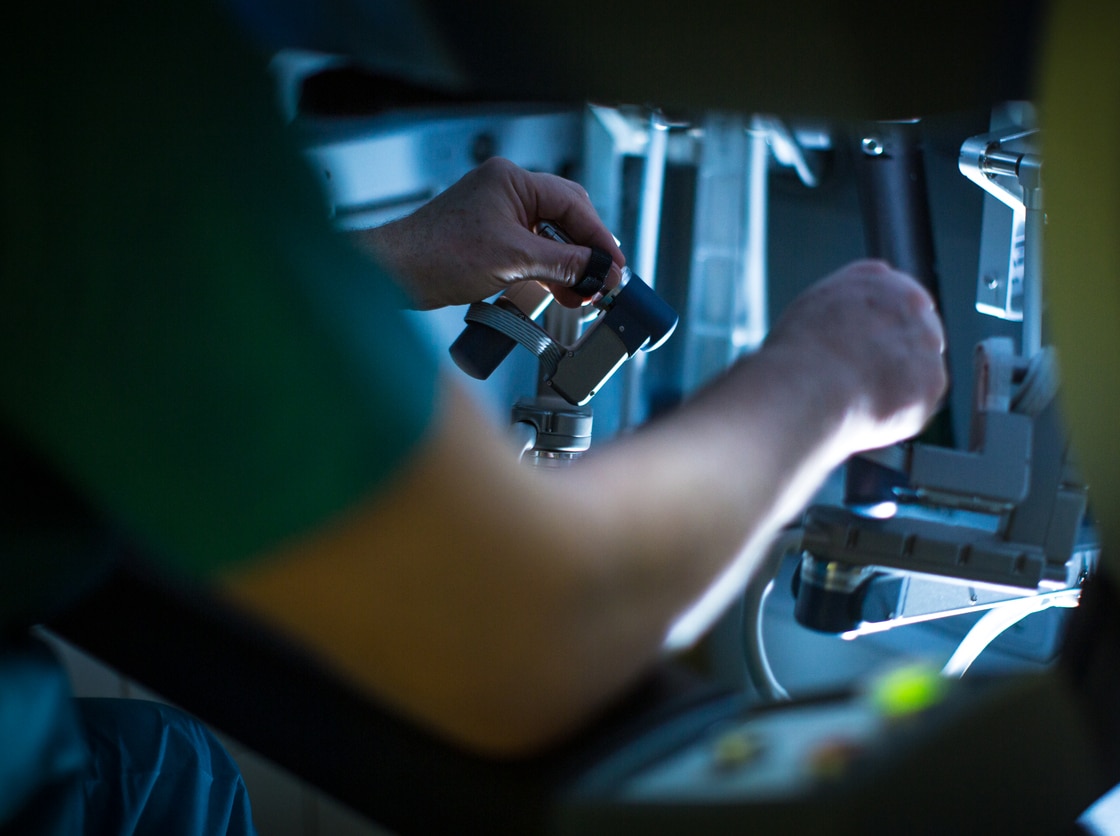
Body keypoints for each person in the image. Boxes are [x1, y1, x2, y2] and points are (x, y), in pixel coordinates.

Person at [0, 1, 946, 830]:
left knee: (169, 770)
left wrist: (399, 252)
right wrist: (832, 375)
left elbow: (87, 295)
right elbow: (534, 636)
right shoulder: (87, 59)